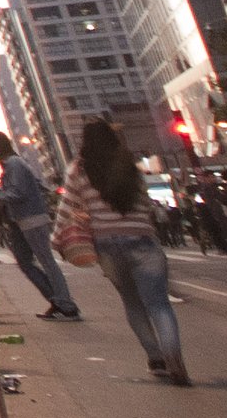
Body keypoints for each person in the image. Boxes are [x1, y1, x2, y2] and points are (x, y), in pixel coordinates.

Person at [57, 114, 186, 384]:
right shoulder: (129, 166)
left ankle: (156, 358)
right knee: (159, 304)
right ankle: (173, 354)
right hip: (143, 241)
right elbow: (148, 206)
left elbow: (67, 208)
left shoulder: (78, 170)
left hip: (108, 245)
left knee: (133, 303)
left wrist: (58, 240)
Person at [0, 132, 80, 320]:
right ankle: (57, 300)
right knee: (26, 262)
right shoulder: (11, 164)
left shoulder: (14, 163)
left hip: (31, 219)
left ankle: (66, 305)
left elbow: (18, 193)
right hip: (20, 221)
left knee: (46, 262)